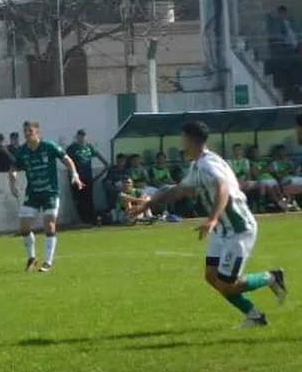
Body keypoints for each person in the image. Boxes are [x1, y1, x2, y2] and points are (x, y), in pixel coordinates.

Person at [128, 121, 286, 328]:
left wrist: (212, 218)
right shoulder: (197, 165)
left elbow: (223, 188)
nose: (182, 144)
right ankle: (254, 315)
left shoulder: (209, 164)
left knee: (227, 284)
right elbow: (179, 190)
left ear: (191, 140)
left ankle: (271, 277)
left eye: (183, 139)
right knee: (212, 277)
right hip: (221, 229)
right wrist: (148, 203)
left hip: (238, 229)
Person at [8, 120, 83, 273]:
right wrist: (13, 180)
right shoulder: (22, 151)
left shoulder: (49, 146)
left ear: (37, 132)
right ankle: (32, 258)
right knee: (24, 227)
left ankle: (48, 262)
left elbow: (66, 159)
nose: (27, 134)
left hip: (50, 192)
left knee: (49, 224)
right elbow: (14, 167)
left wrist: (75, 174)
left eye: (30, 131)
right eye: (25, 131)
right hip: (33, 193)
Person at [66, 129, 108, 225]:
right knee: (79, 199)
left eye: (84, 135)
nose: (82, 137)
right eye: (80, 135)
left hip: (88, 176)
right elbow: (68, 162)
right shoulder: (72, 148)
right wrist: (72, 176)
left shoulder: (89, 146)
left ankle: (90, 219)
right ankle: (82, 219)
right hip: (77, 177)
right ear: (77, 137)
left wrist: (97, 176)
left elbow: (102, 159)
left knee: (88, 199)